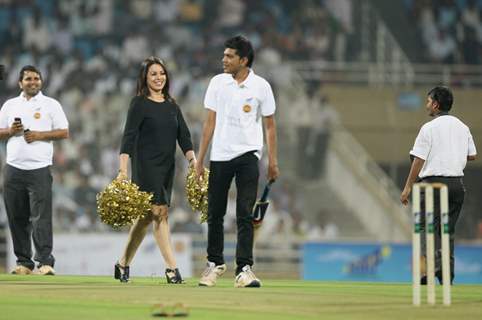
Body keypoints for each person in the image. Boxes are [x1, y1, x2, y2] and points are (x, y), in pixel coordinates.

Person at [195, 35, 280, 288]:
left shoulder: (261, 86)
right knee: (215, 213)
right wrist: (200, 159)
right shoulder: (217, 83)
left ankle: (244, 269)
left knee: (245, 213)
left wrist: (273, 161)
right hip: (219, 155)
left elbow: (271, 126)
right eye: (224, 55)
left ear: (244, 60)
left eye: (230, 56)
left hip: (248, 155)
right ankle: (214, 264)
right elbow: (209, 122)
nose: (224, 60)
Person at [115, 56, 196, 284]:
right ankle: (172, 268)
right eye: (153, 74)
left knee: (145, 219)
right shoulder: (139, 103)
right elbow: (128, 137)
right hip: (145, 166)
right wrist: (123, 170)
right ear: (145, 78)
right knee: (160, 212)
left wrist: (193, 161)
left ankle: (122, 264)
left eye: (161, 73)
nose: (158, 77)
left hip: (167, 167)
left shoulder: (172, 105)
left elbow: (185, 136)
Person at [400, 86, 477, 284]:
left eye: (428, 101)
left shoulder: (429, 128)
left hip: (433, 185)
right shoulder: (463, 126)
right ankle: (446, 275)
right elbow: (472, 155)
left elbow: (418, 160)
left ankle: (425, 273)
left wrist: (408, 187)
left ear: (435, 104)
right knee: (447, 231)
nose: (427, 105)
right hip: (456, 186)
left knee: (426, 228)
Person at [0, 65, 69, 275]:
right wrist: (11, 131)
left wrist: (39, 135)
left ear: (41, 82)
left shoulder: (51, 105)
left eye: (36, 79)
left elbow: (64, 132)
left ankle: (45, 262)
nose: (33, 82)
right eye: (28, 79)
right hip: (13, 168)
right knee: (17, 217)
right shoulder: (10, 105)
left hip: (39, 168)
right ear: (20, 83)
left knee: (41, 217)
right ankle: (23, 263)